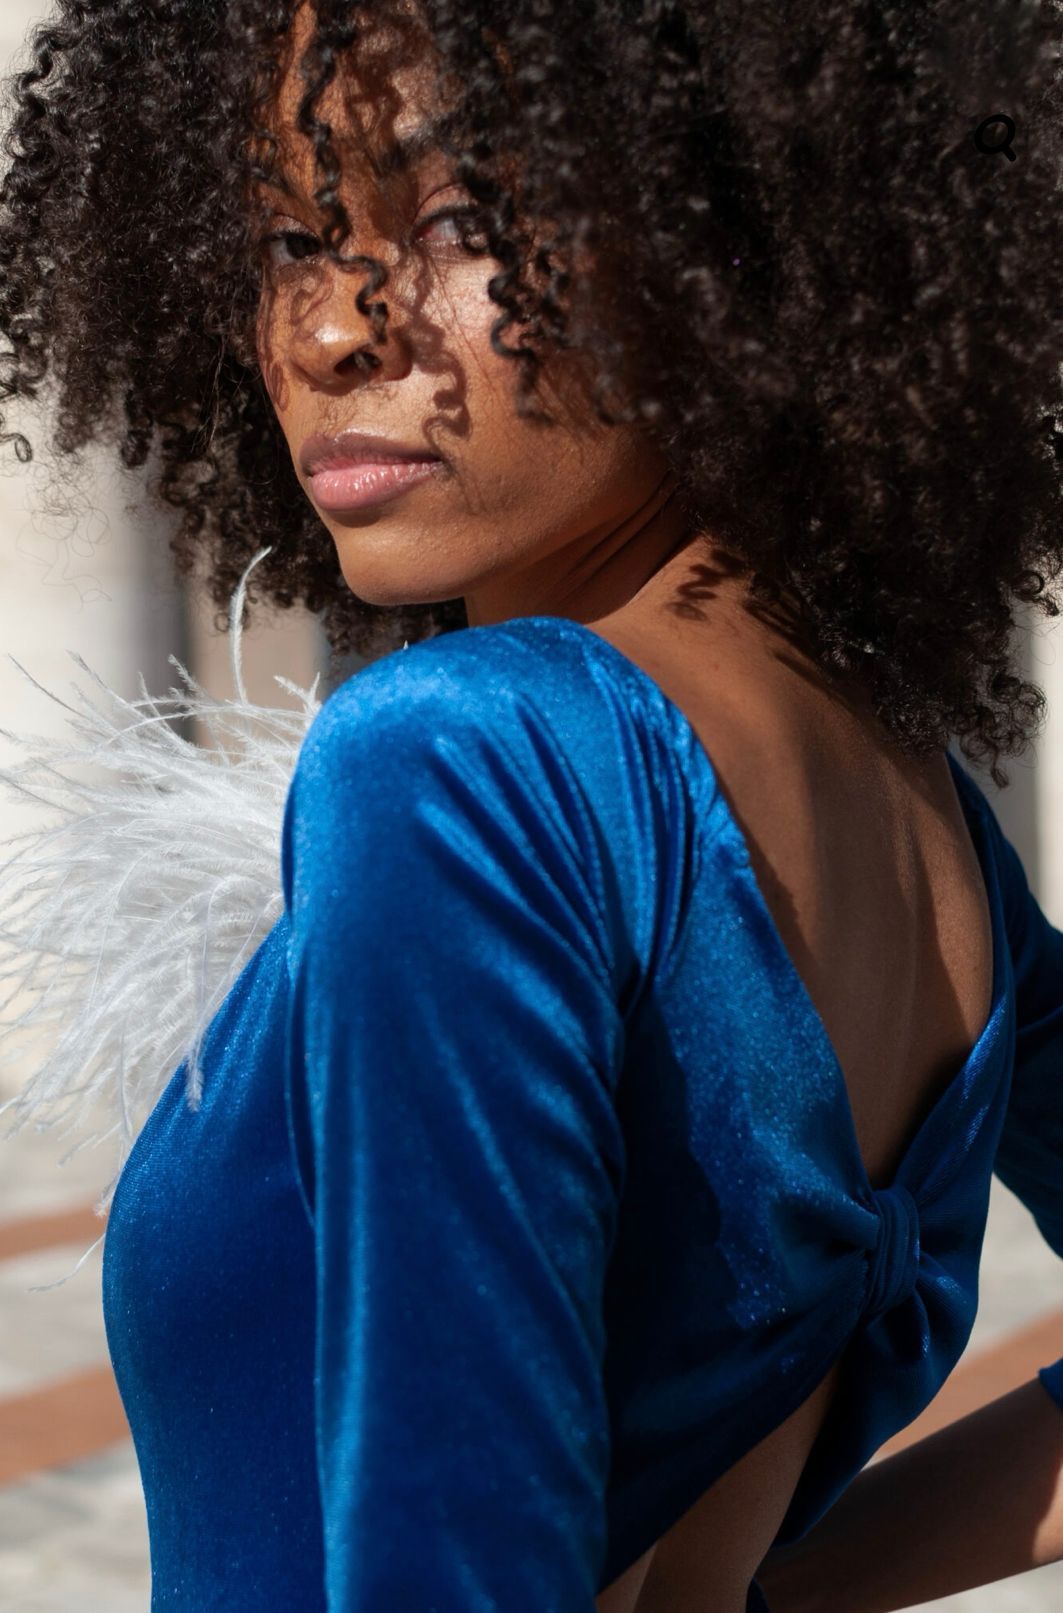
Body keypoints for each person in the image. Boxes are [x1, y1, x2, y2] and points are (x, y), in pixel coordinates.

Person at [0, 1, 1061, 1609]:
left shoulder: (466, 760)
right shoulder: (934, 830)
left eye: (459, 220)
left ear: (731, 227)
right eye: (289, 237)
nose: (331, 330)